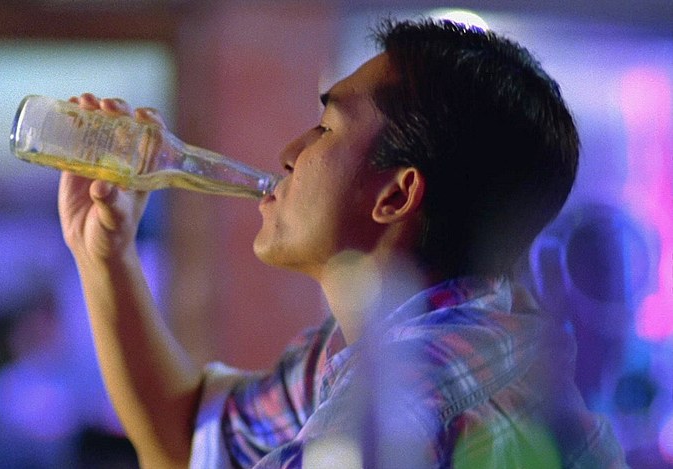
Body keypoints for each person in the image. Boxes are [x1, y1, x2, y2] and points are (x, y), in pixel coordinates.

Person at [58, 18, 627, 468]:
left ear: (395, 195)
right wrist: (103, 253)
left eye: (326, 128)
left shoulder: (403, 407)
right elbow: (189, 445)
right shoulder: (414, 338)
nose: (288, 153)